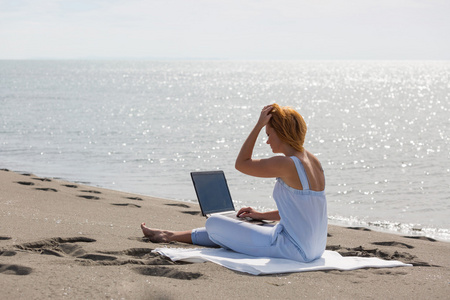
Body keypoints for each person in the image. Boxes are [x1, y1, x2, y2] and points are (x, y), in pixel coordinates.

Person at [141, 103, 327, 262]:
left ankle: (168, 235)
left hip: (293, 249)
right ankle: (169, 235)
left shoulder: (286, 163)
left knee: (214, 222)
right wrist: (260, 214)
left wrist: (258, 125)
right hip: (314, 248)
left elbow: (241, 164)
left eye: (269, 134)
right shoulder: (313, 161)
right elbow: (303, 212)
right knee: (239, 226)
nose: (268, 141)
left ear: (281, 133)